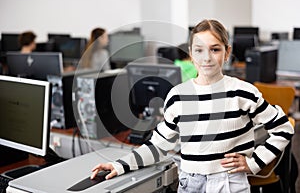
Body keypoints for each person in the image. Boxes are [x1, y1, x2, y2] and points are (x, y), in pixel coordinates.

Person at [90, 19, 294, 192]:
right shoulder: (178, 96)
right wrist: (121, 165)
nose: (206, 58)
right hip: (190, 183)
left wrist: (253, 163)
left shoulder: (243, 92)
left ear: (227, 52)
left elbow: (284, 128)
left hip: (228, 184)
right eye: (199, 50)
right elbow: (158, 147)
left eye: (215, 49)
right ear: (191, 53)